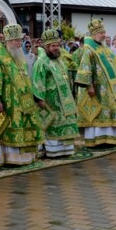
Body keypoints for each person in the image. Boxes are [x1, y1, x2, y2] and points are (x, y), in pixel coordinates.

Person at [0, 24, 43, 166]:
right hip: (8, 100)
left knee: (25, 126)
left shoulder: (19, 57)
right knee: (9, 127)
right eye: (16, 40)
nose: (19, 43)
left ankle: (25, 157)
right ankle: (9, 158)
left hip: (25, 100)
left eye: (20, 40)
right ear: (8, 41)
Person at [75, 19, 116, 147]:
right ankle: (97, 139)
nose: (104, 35)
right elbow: (85, 69)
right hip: (96, 89)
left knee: (109, 112)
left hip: (109, 89)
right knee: (98, 113)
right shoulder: (88, 49)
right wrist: (90, 86)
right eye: (101, 33)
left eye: (104, 32)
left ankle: (110, 139)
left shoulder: (104, 48)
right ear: (94, 34)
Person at [31, 29, 79, 159]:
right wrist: (40, 99)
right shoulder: (41, 62)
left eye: (58, 45)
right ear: (46, 47)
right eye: (53, 46)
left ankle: (66, 149)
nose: (56, 48)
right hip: (50, 101)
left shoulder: (59, 60)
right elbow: (37, 82)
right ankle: (52, 150)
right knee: (52, 125)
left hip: (65, 101)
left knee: (65, 122)